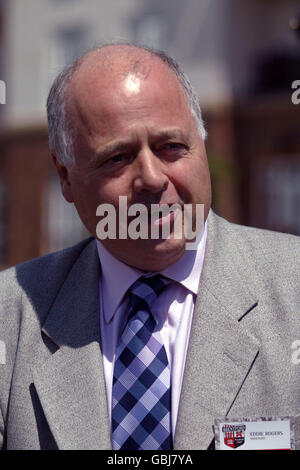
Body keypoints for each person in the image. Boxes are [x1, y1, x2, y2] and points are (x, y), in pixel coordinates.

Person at [0, 43, 299, 450]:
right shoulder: (9, 317)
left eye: (171, 147)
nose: (152, 178)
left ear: (203, 143)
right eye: (118, 158)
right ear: (65, 178)